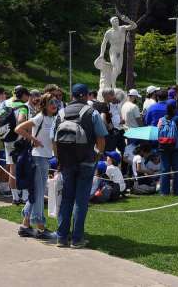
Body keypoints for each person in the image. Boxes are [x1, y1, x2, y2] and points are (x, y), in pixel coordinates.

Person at [52, 83, 107, 249]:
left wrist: (59, 158)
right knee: (81, 201)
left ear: (72, 96)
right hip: (86, 160)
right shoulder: (92, 113)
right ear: (84, 95)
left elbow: (53, 139)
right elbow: (101, 138)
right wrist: (98, 154)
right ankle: (77, 239)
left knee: (67, 199)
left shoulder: (60, 113)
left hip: (66, 161)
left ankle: (61, 237)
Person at [15, 92, 59, 240]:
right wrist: (33, 139)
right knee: (39, 194)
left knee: (36, 193)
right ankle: (40, 228)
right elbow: (18, 128)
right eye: (51, 102)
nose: (54, 105)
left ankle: (25, 226)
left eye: (56, 102)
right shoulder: (40, 118)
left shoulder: (52, 119)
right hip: (38, 159)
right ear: (44, 105)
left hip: (44, 158)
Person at [0, 85, 30, 204]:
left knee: (12, 167)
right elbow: (21, 121)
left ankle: (15, 197)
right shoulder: (23, 107)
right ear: (24, 95)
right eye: (27, 95)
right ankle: (25, 196)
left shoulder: (6, 106)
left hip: (8, 140)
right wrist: (25, 133)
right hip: (20, 140)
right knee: (24, 167)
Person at [158, 101, 178, 196]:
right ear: (175, 108)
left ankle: (164, 192)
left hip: (163, 148)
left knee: (164, 170)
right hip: (177, 148)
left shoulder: (161, 120)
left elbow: (158, 131)